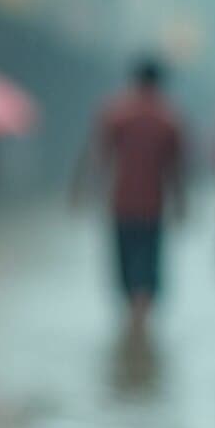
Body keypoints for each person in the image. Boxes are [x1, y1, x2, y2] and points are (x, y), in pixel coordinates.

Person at [75, 57, 188, 334]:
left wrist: (82, 192)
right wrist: (181, 205)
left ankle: (132, 325)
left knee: (125, 269)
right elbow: (176, 171)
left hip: (121, 204)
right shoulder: (169, 120)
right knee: (147, 268)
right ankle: (141, 324)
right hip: (153, 207)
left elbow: (98, 159)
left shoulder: (116, 114)